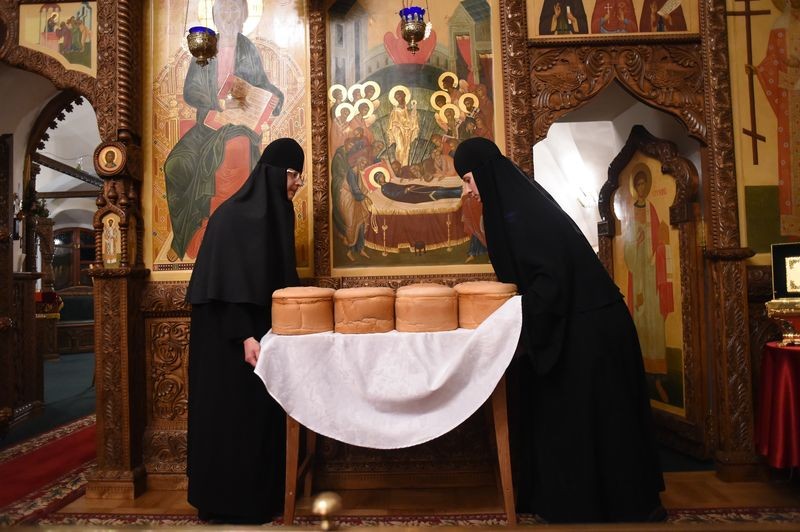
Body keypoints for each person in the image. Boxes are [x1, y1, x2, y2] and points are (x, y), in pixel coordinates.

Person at [453, 137, 665, 524]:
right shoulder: (516, 208)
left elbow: (550, 282)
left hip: (591, 330)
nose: (468, 190)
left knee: (597, 422)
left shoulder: (523, 214)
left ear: (483, 172)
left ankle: (604, 506)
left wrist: (509, 320)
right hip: (578, 323)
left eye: (468, 179)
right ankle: (575, 501)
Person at [185, 138, 304, 524]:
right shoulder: (231, 218)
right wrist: (244, 336)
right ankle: (223, 503)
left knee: (257, 422)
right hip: (228, 340)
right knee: (229, 420)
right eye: (293, 174)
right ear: (274, 173)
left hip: (262, 337)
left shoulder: (279, 213)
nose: (298, 183)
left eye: (299, 176)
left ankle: (260, 499)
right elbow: (222, 285)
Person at [164, 0, 285, 261]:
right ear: (216, 16)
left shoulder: (247, 48)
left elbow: (260, 83)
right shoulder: (205, 47)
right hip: (207, 125)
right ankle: (185, 235)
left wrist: (274, 97)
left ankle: (230, 238)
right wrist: (215, 102)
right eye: (224, 10)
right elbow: (190, 91)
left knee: (234, 153)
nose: (229, 16)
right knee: (174, 165)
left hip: (238, 126)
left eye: (234, 9)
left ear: (243, 15)